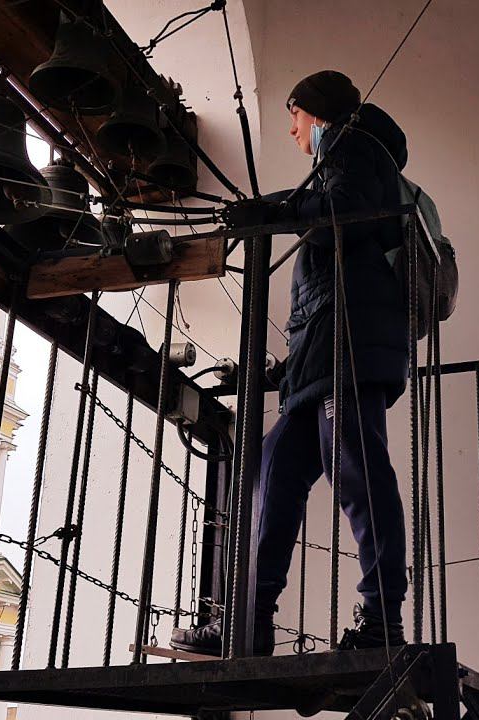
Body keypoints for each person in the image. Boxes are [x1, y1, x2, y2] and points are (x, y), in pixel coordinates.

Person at [171, 70, 411, 656]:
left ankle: (382, 622)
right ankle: (248, 623)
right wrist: (282, 371)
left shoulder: (352, 145)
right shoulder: (338, 159)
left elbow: (341, 215)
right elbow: (327, 276)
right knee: (271, 473)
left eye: (295, 115)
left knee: (357, 475)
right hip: (321, 358)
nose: (291, 129)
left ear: (317, 112)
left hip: (346, 351)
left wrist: (274, 209)